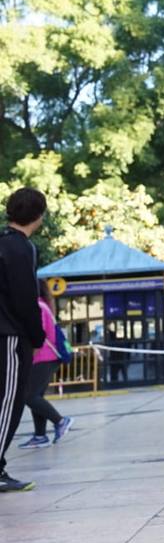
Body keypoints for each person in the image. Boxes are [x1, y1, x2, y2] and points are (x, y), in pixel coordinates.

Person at [1, 188, 47, 492]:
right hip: (10, 335)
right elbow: (25, 297)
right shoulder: (22, 249)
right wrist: (37, 333)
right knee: (9, 402)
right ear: (39, 216)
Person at [18, 279, 71, 449]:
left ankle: (60, 421)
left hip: (43, 357)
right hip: (47, 358)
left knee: (28, 395)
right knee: (36, 396)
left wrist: (27, 359)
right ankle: (40, 436)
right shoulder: (42, 304)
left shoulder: (38, 307)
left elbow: (38, 337)